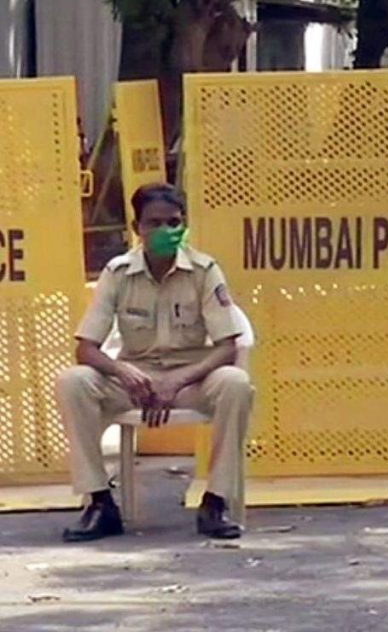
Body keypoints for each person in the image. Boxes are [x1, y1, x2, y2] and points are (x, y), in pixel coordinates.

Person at [56, 183, 254, 542]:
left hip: (189, 381)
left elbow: (227, 347)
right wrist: (122, 371)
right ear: (138, 228)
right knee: (73, 381)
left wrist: (177, 380)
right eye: (155, 223)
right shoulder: (117, 273)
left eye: (174, 222)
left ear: (184, 224)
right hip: (136, 382)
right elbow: (86, 349)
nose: (165, 231)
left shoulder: (205, 271)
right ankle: (100, 503)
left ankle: (215, 501)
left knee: (236, 383)